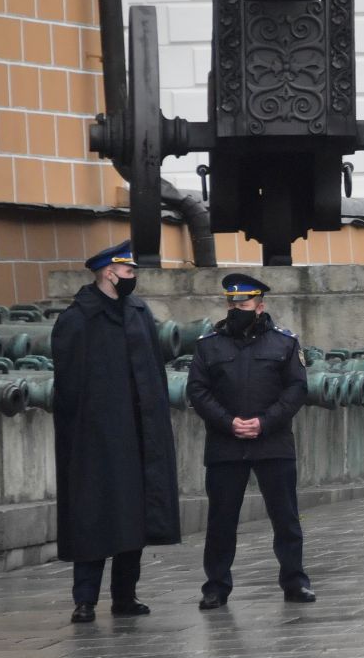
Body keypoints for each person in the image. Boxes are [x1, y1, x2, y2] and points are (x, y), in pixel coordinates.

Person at [52, 242, 181, 625]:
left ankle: (125, 595)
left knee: (133, 517)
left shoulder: (139, 313)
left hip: (138, 433)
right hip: (94, 439)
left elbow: (153, 372)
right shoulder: (77, 320)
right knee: (92, 516)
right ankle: (85, 599)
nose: (133, 278)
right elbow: (69, 387)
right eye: (128, 272)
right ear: (109, 272)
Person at [186, 273, 314, 608]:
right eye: (231, 302)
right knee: (221, 521)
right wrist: (229, 423)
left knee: (285, 517)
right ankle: (215, 586)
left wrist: (265, 422)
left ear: (260, 305)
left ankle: (295, 581)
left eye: (243, 302)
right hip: (226, 445)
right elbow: (198, 391)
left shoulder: (284, 343)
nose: (236, 308)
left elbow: (297, 389)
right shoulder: (208, 344)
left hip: (272, 443)